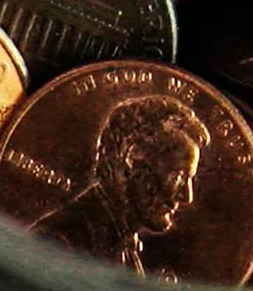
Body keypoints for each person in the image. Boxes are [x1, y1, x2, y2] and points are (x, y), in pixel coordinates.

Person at [31, 95, 211, 275]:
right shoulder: (60, 243)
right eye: (178, 176)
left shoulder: (123, 245)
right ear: (132, 158)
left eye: (189, 179)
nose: (187, 196)